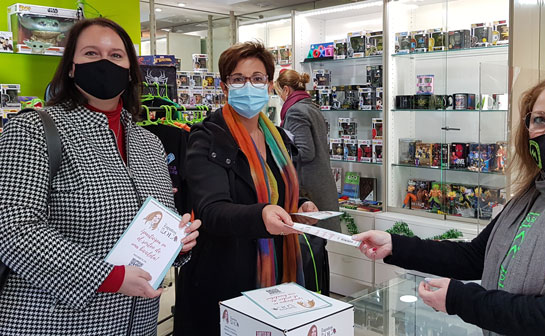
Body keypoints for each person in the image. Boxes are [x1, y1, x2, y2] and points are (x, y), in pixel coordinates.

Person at [354, 72, 545, 335]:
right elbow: (476, 256)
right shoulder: (533, 194)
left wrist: (461, 299)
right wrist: (396, 245)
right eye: (539, 119)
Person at [0, 18, 200, 335]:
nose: (105, 62)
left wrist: (178, 243)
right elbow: (12, 228)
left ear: (132, 70)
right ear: (71, 67)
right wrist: (108, 276)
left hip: (138, 323)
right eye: (91, 53)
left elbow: (155, 220)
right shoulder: (33, 129)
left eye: (117, 55)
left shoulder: (149, 143)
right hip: (55, 322)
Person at [173, 41, 318, 335]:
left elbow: (278, 190)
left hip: (281, 271)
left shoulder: (278, 137)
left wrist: (301, 204)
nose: (248, 85)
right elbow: (210, 210)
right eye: (238, 79)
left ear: (268, 86)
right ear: (225, 87)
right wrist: (261, 215)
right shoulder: (207, 138)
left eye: (257, 78)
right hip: (225, 274)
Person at [275, 69, 340, 295]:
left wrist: (279, 149)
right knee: (318, 250)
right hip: (320, 185)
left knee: (310, 252)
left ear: (285, 89)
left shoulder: (294, 112)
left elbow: (305, 152)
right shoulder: (311, 106)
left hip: (308, 191)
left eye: (278, 92)